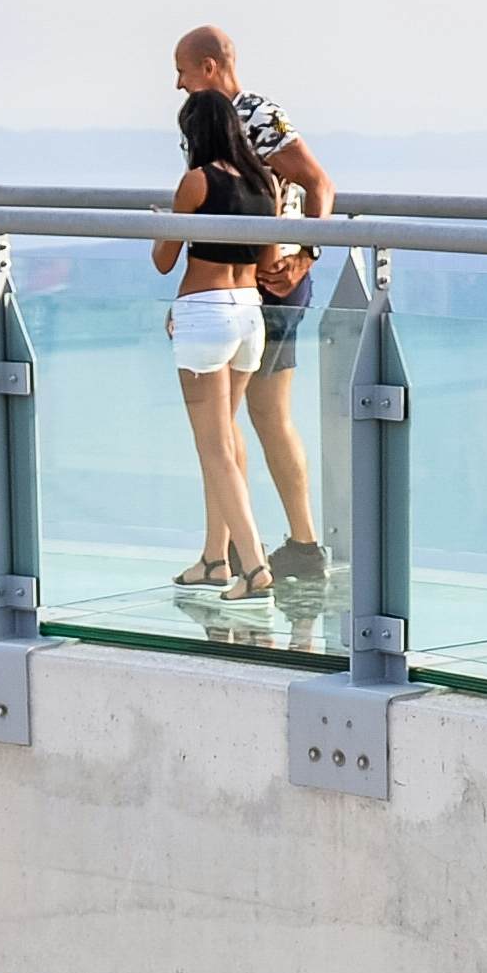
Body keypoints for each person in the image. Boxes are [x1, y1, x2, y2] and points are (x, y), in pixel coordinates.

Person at [175, 29, 338, 582]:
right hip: (239, 290)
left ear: (210, 66)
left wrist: (306, 255)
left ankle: (272, 548)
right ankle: (234, 552)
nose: (177, 83)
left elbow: (319, 184)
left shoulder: (257, 116)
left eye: (184, 71)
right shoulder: (209, 124)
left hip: (268, 287)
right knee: (245, 420)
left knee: (249, 419)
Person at [154, 87, 281, 600]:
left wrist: (163, 224)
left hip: (204, 314)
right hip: (250, 312)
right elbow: (271, 259)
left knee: (214, 449)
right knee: (225, 438)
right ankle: (214, 558)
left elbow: (165, 260)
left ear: (194, 134)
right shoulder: (264, 182)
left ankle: (252, 565)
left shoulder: (195, 182)